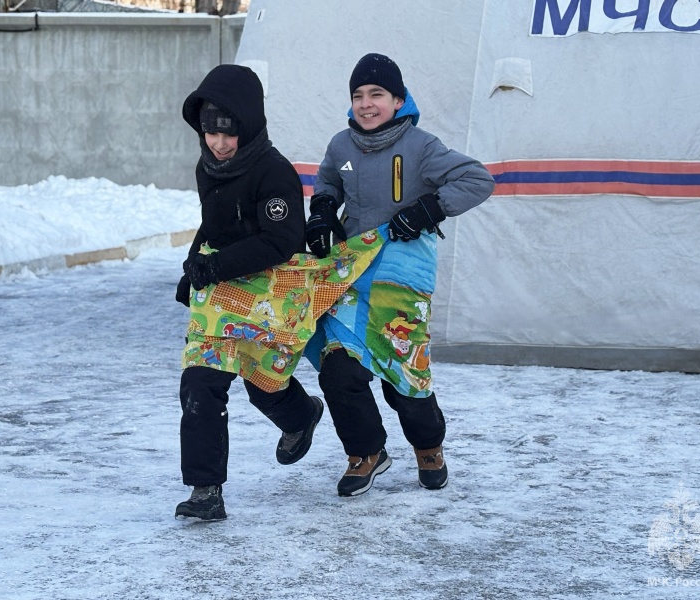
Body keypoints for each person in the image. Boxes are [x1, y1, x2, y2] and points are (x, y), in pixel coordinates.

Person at [306, 53, 495, 497]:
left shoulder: (421, 146)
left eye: (377, 94)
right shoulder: (341, 145)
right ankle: (365, 452)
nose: (366, 104)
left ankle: (428, 446)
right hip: (352, 271)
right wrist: (322, 211)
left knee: (402, 369)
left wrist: (430, 208)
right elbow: (328, 181)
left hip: (402, 272)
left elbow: (478, 180)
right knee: (338, 366)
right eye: (358, 95)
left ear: (398, 99)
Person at [174, 64, 323, 521]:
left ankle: (302, 416)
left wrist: (215, 265)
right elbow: (215, 223)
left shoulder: (274, 173)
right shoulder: (209, 167)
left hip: (270, 294)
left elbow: (281, 241)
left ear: (250, 125)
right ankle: (205, 491)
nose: (219, 143)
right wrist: (194, 265)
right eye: (210, 132)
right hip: (222, 294)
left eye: (229, 133)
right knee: (200, 381)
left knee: (263, 382)